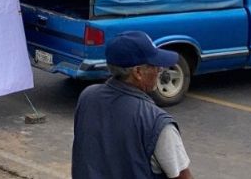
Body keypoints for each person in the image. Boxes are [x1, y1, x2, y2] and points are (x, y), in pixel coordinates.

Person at [72, 31, 193, 179]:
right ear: (138, 72)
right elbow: (183, 176)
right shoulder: (157, 122)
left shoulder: (88, 97)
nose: (160, 70)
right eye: (155, 65)